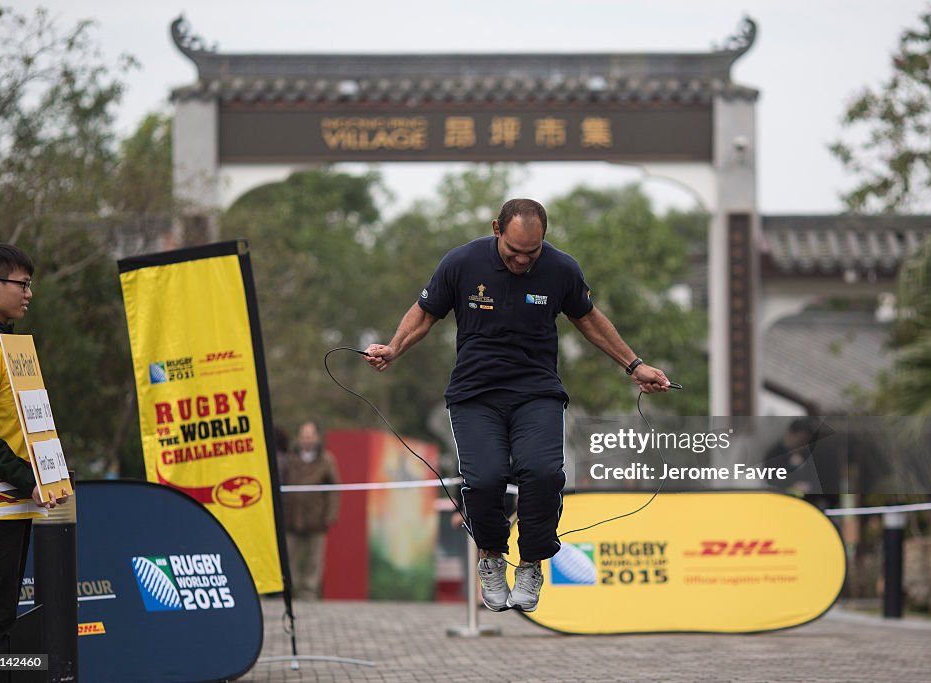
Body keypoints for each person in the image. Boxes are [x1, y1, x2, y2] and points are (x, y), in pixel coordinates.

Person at [364, 198, 671, 613]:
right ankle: (490, 555)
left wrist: (634, 365)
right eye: (514, 251)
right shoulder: (461, 263)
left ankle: (530, 562)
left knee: (543, 473)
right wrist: (394, 348)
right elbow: (424, 313)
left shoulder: (562, 269)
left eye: (533, 251)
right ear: (496, 229)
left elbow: (589, 319)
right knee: (485, 478)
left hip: (537, 391)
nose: (523, 259)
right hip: (475, 395)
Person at [0, 244, 66, 673]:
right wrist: (30, 479)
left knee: (2, 618)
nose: (29, 294)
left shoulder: (2, 342)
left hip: (13, 502)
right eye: (22, 284)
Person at [281, 420, 340, 600]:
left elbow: (334, 490)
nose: (307, 439)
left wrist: (330, 515)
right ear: (299, 438)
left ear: (316, 437)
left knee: (314, 560)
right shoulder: (289, 459)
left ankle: (309, 592)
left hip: (317, 519)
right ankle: (291, 591)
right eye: (304, 435)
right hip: (291, 518)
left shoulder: (327, 460)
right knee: (289, 557)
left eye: (310, 435)